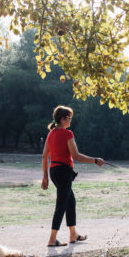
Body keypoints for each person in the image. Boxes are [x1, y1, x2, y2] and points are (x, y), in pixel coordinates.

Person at [41, 105, 105, 247]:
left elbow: (45, 157)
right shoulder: (67, 134)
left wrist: (45, 177)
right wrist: (95, 160)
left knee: (70, 202)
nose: (70, 121)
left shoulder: (51, 134)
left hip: (54, 172)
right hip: (64, 171)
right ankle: (52, 239)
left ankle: (73, 234)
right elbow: (76, 156)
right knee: (61, 204)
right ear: (63, 119)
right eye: (69, 118)